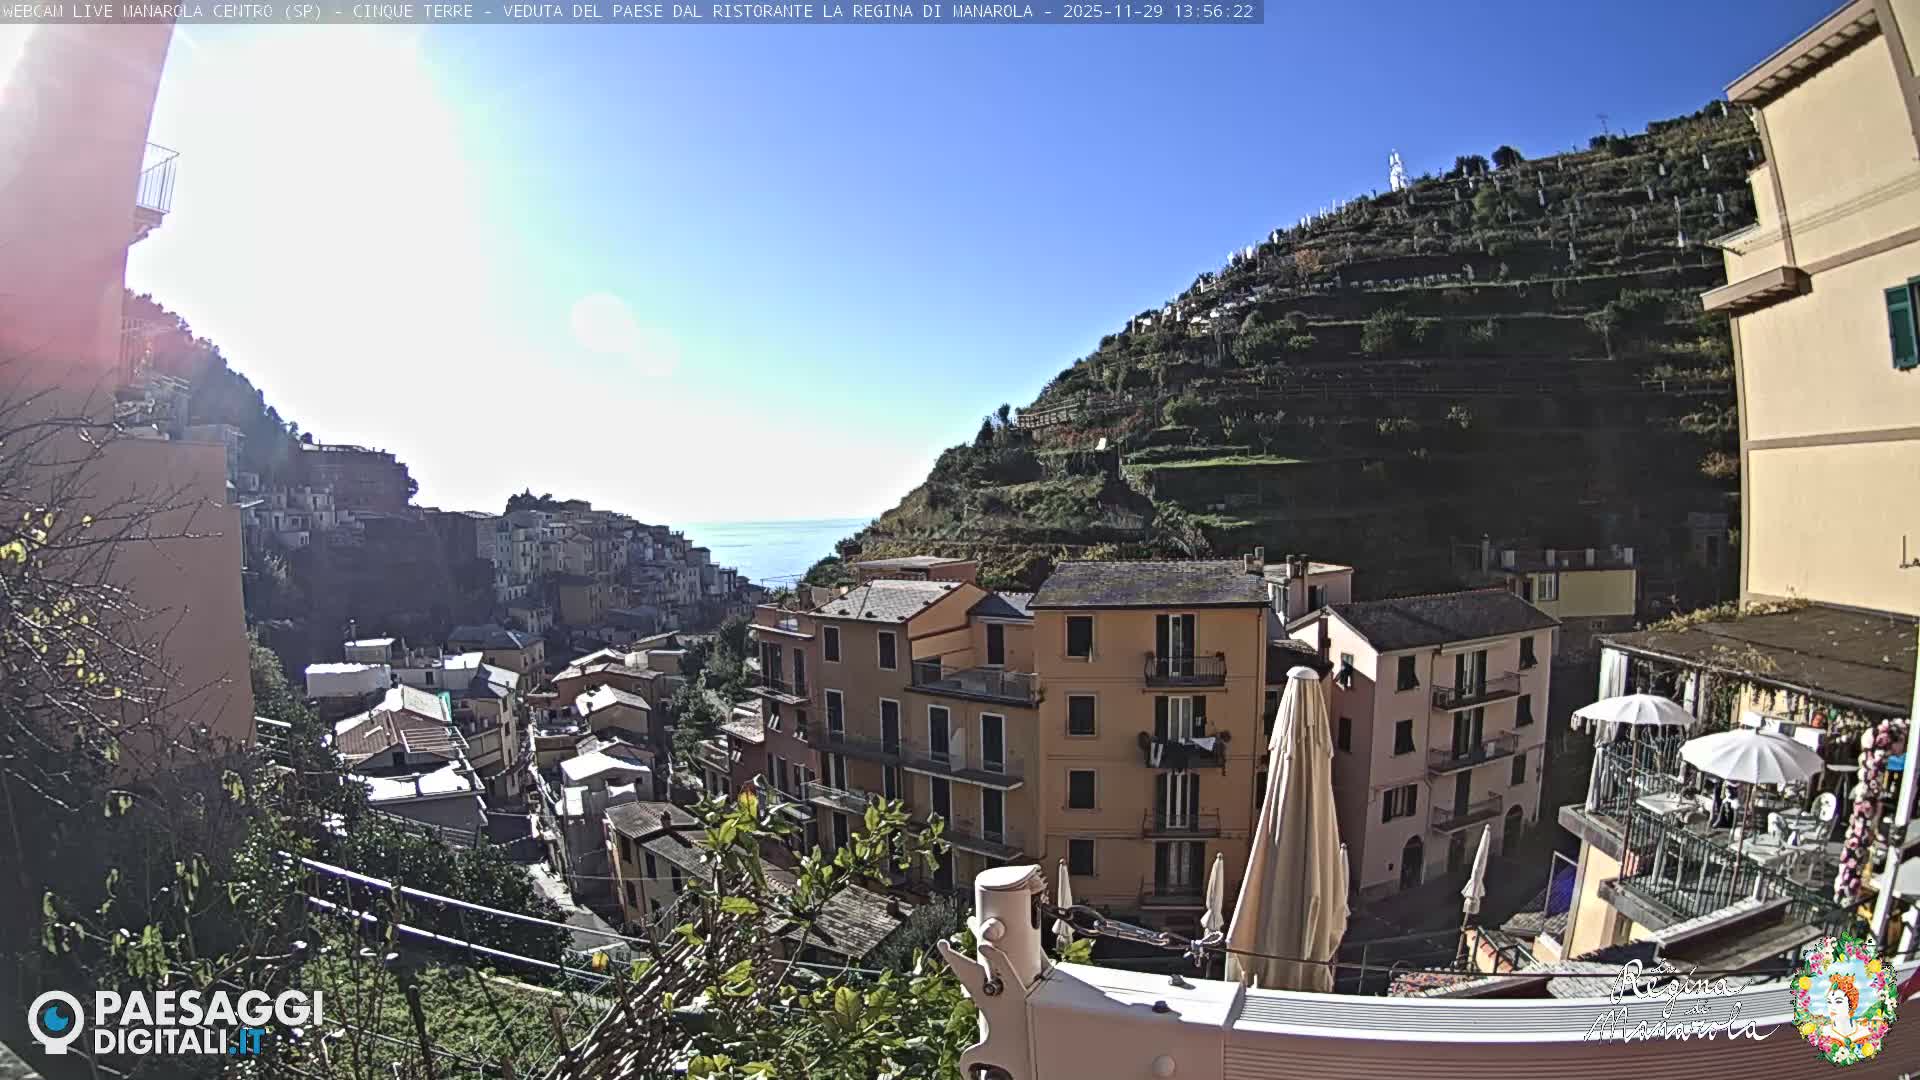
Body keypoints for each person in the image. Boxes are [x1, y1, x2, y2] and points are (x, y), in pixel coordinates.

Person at [1818, 974, 1871, 1044]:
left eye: (1838, 1001)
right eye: (1829, 1002)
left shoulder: (1864, 1032)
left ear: (1851, 1005)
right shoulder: (1823, 1032)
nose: (1832, 1007)